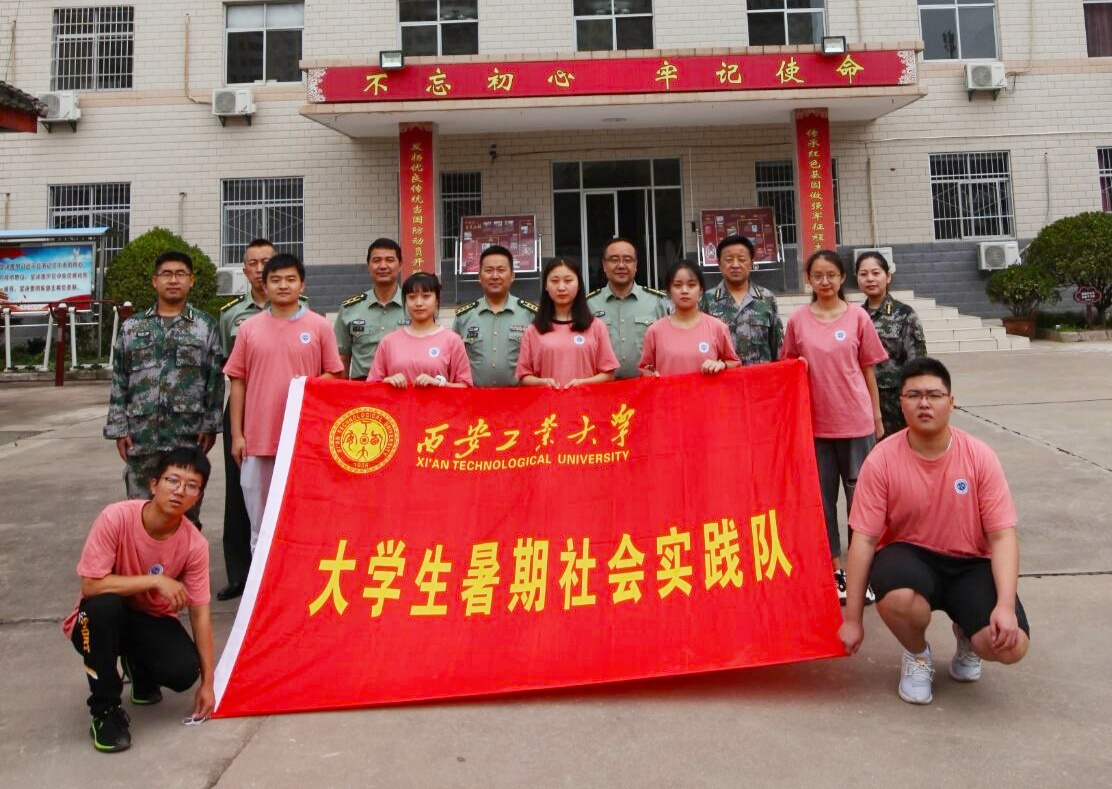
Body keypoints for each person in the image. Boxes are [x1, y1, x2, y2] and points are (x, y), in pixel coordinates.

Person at [839, 357, 1030, 705]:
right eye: (914, 395)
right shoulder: (881, 459)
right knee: (898, 599)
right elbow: (864, 540)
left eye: (934, 395)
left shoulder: (980, 457)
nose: (924, 403)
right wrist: (852, 619)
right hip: (910, 557)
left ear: (951, 402)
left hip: (970, 563)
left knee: (1010, 646)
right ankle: (917, 655)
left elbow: (1003, 535)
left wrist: (1004, 606)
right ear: (901, 403)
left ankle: (968, 635)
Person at [63, 447, 216, 753]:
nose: (180, 491)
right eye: (173, 480)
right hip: (97, 620)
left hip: (148, 619)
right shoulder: (116, 517)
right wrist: (155, 580)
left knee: (183, 670)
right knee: (103, 607)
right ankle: (105, 711)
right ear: (153, 484)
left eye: (191, 486)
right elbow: (90, 585)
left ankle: (138, 665)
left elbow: (200, 613)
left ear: (198, 497)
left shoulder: (194, 545)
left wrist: (208, 685)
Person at [781, 249, 888, 603]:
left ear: (843, 278)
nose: (824, 281)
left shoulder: (858, 317)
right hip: (815, 426)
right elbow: (788, 368)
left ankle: (861, 571)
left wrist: (876, 416)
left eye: (831, 275)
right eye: (818, 275)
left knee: (861, 501)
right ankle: (835, 570)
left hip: (856, 423)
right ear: (808, 280)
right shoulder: (798, 320)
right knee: (822, 503)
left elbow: (868, 369)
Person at [224, 254, 344, 551]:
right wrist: (237, 435)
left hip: (305, 441)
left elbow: (335, 374)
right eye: (275, 280)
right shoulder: (249, 328)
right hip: (258, 440)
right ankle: (261, 580)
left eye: (291, 279)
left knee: (304, 518)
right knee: (260, 525)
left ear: (302, 285)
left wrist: (307, 385)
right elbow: (238, 382)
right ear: (264, 286)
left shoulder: (319, 326)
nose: (283, 286)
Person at [104, 250, 224, 528]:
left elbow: (214, 380)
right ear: (154, 281)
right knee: (139, 511)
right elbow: (120, 378)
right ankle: (142, 557)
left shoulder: (205, 326)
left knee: (185, 512)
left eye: (181, 274)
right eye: (166, 274)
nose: (173, 280)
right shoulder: (132, 327)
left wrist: (210, 426)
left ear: (191, 280)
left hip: (187, 435)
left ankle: (184, 557)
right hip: (142, 436)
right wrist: (119, 428)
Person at [215, 238, 276, 601]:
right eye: (252, 263)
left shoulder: (300, 307)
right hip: (243, 409)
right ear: (245, 269)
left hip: (282, 410)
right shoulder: (231, 315)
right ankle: (240, 573)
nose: (259, 269)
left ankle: (279, 567)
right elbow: (229, 367)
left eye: (266, 261)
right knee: (239, 491)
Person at [856, 251, 928, 437]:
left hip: (896, 405)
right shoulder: (854, 316)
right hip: (862, 402)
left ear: (887, 277)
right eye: (863, 274)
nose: (870, 279)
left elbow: (917, 363)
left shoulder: (904, 314)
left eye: (876, 273)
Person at [516, 257, 618, 388]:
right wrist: (543, 382)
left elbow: (609, 374)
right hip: (547, 400)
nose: (561, 287)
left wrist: (583, 383)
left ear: (579, 284)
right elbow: (523, 376)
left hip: (586, 400)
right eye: (554, 281)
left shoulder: (596, 326)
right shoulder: (533, 330)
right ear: (546, 285)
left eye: (568, 280)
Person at [452, 245, 537, 387]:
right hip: (475, 398)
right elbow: (454, 361)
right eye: (489, 270)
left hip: (519, 398)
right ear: (479, 277)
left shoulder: (530, 315)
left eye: (501, 270)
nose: (495, 276)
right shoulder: (464, 316)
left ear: (512, 276)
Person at [369, 272, 473, 388]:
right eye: (412, 297)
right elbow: (371, 386)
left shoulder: (453, 341)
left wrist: (440, 384)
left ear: (437, 300)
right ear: (405, 301)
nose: (418, 303)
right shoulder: (388, 342)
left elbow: (466, 387)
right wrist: (387, 382)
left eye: (426, 296)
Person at [639, 259, 740, 376]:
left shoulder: (718, 328)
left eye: (691, 285)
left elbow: (735, 364)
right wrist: (650, 375)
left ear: (701, 290)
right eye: (677, 285)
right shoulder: (654, 331)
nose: (684, 291)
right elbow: (644, 370)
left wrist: (722, 365)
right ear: (669, 290)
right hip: (668, 389)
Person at [586, 237, 669, 379]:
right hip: (602, 387)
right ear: (604, 265)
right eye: (614, 260)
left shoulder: (657, 301)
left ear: (636, 265)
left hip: (646, 386)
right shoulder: (588, 304)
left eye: (628, 260)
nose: (621, 265)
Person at [333, 238, 408, 380]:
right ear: (368, 266)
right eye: (376, 260)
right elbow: (341, 356)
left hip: (403, 385)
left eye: (390, 260)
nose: (383, 266)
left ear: (400, 265)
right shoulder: (350, 308)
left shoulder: (414, 306)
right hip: (363, 386)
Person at [702, 234, 783, 365]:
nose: (735, 265)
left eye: (742, 259)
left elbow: (778, 348)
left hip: (760, 377)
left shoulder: (767, 299)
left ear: (751, 263)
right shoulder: (706, 300)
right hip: (722, 377)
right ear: (719, 264)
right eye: (728, 260)